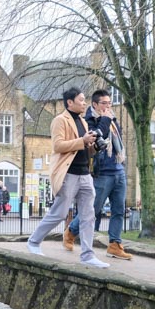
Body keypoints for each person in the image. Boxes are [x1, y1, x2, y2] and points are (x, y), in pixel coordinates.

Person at [27, 88, 110, 268]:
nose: (84, 103)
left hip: (85, 174)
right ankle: (34, 241)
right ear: (70, 102)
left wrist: (94, 147)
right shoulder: (59, 120)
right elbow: (58, 146)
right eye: (81, 100)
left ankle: (88, 255)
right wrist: (82, 140)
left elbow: (85, 149)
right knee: (60, 213)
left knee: (89, 215)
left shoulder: (83, 121)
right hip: (68, 173)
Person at [64, 89, 132, 261]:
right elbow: (97, 139)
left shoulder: (113, 120)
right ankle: (71, 231)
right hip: (101, 173)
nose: (108, 106)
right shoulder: (88, 121)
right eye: (104, 103)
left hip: (118, 169)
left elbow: (118, 145)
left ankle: (115, 244)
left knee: (118, 209)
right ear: (95, 104)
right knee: (93, 209)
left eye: (109, 103)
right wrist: (105, 120)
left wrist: (109, 120)